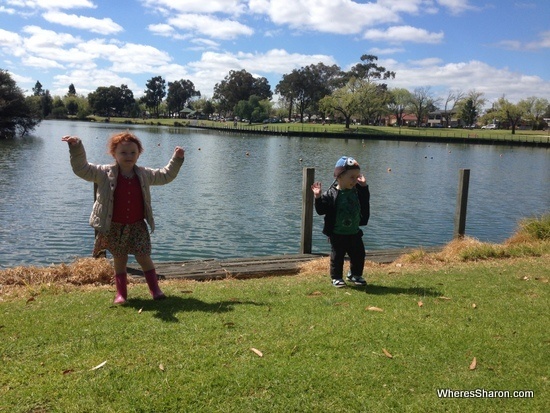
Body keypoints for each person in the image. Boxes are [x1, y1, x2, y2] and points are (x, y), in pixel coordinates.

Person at [62, 132, 185, 304]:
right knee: (120, 260)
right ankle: (121, 294)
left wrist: (177, 159)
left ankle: (155, 289)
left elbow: (165, 175)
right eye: (123, 153)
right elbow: (82, 169)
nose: (128, 156)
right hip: (114, 226)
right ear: (114, 154)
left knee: (144, 257)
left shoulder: (144, 174)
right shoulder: (103, 173)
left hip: (137, 226)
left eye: (133, 153)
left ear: (139, 153)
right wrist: (76, 147)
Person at [311, 156, 370, 288]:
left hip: (354, 232)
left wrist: (364, 186)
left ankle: (355, 274)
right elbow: (321, 210)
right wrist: (318, 197)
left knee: (359, 254)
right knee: (337, 257)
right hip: (337, 233)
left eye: (357, 176)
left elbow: (365, 201)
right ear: (339, 177)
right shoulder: (331, 194)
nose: (355, 180)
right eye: (352, 177)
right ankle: (336, 277)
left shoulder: (357, 191)